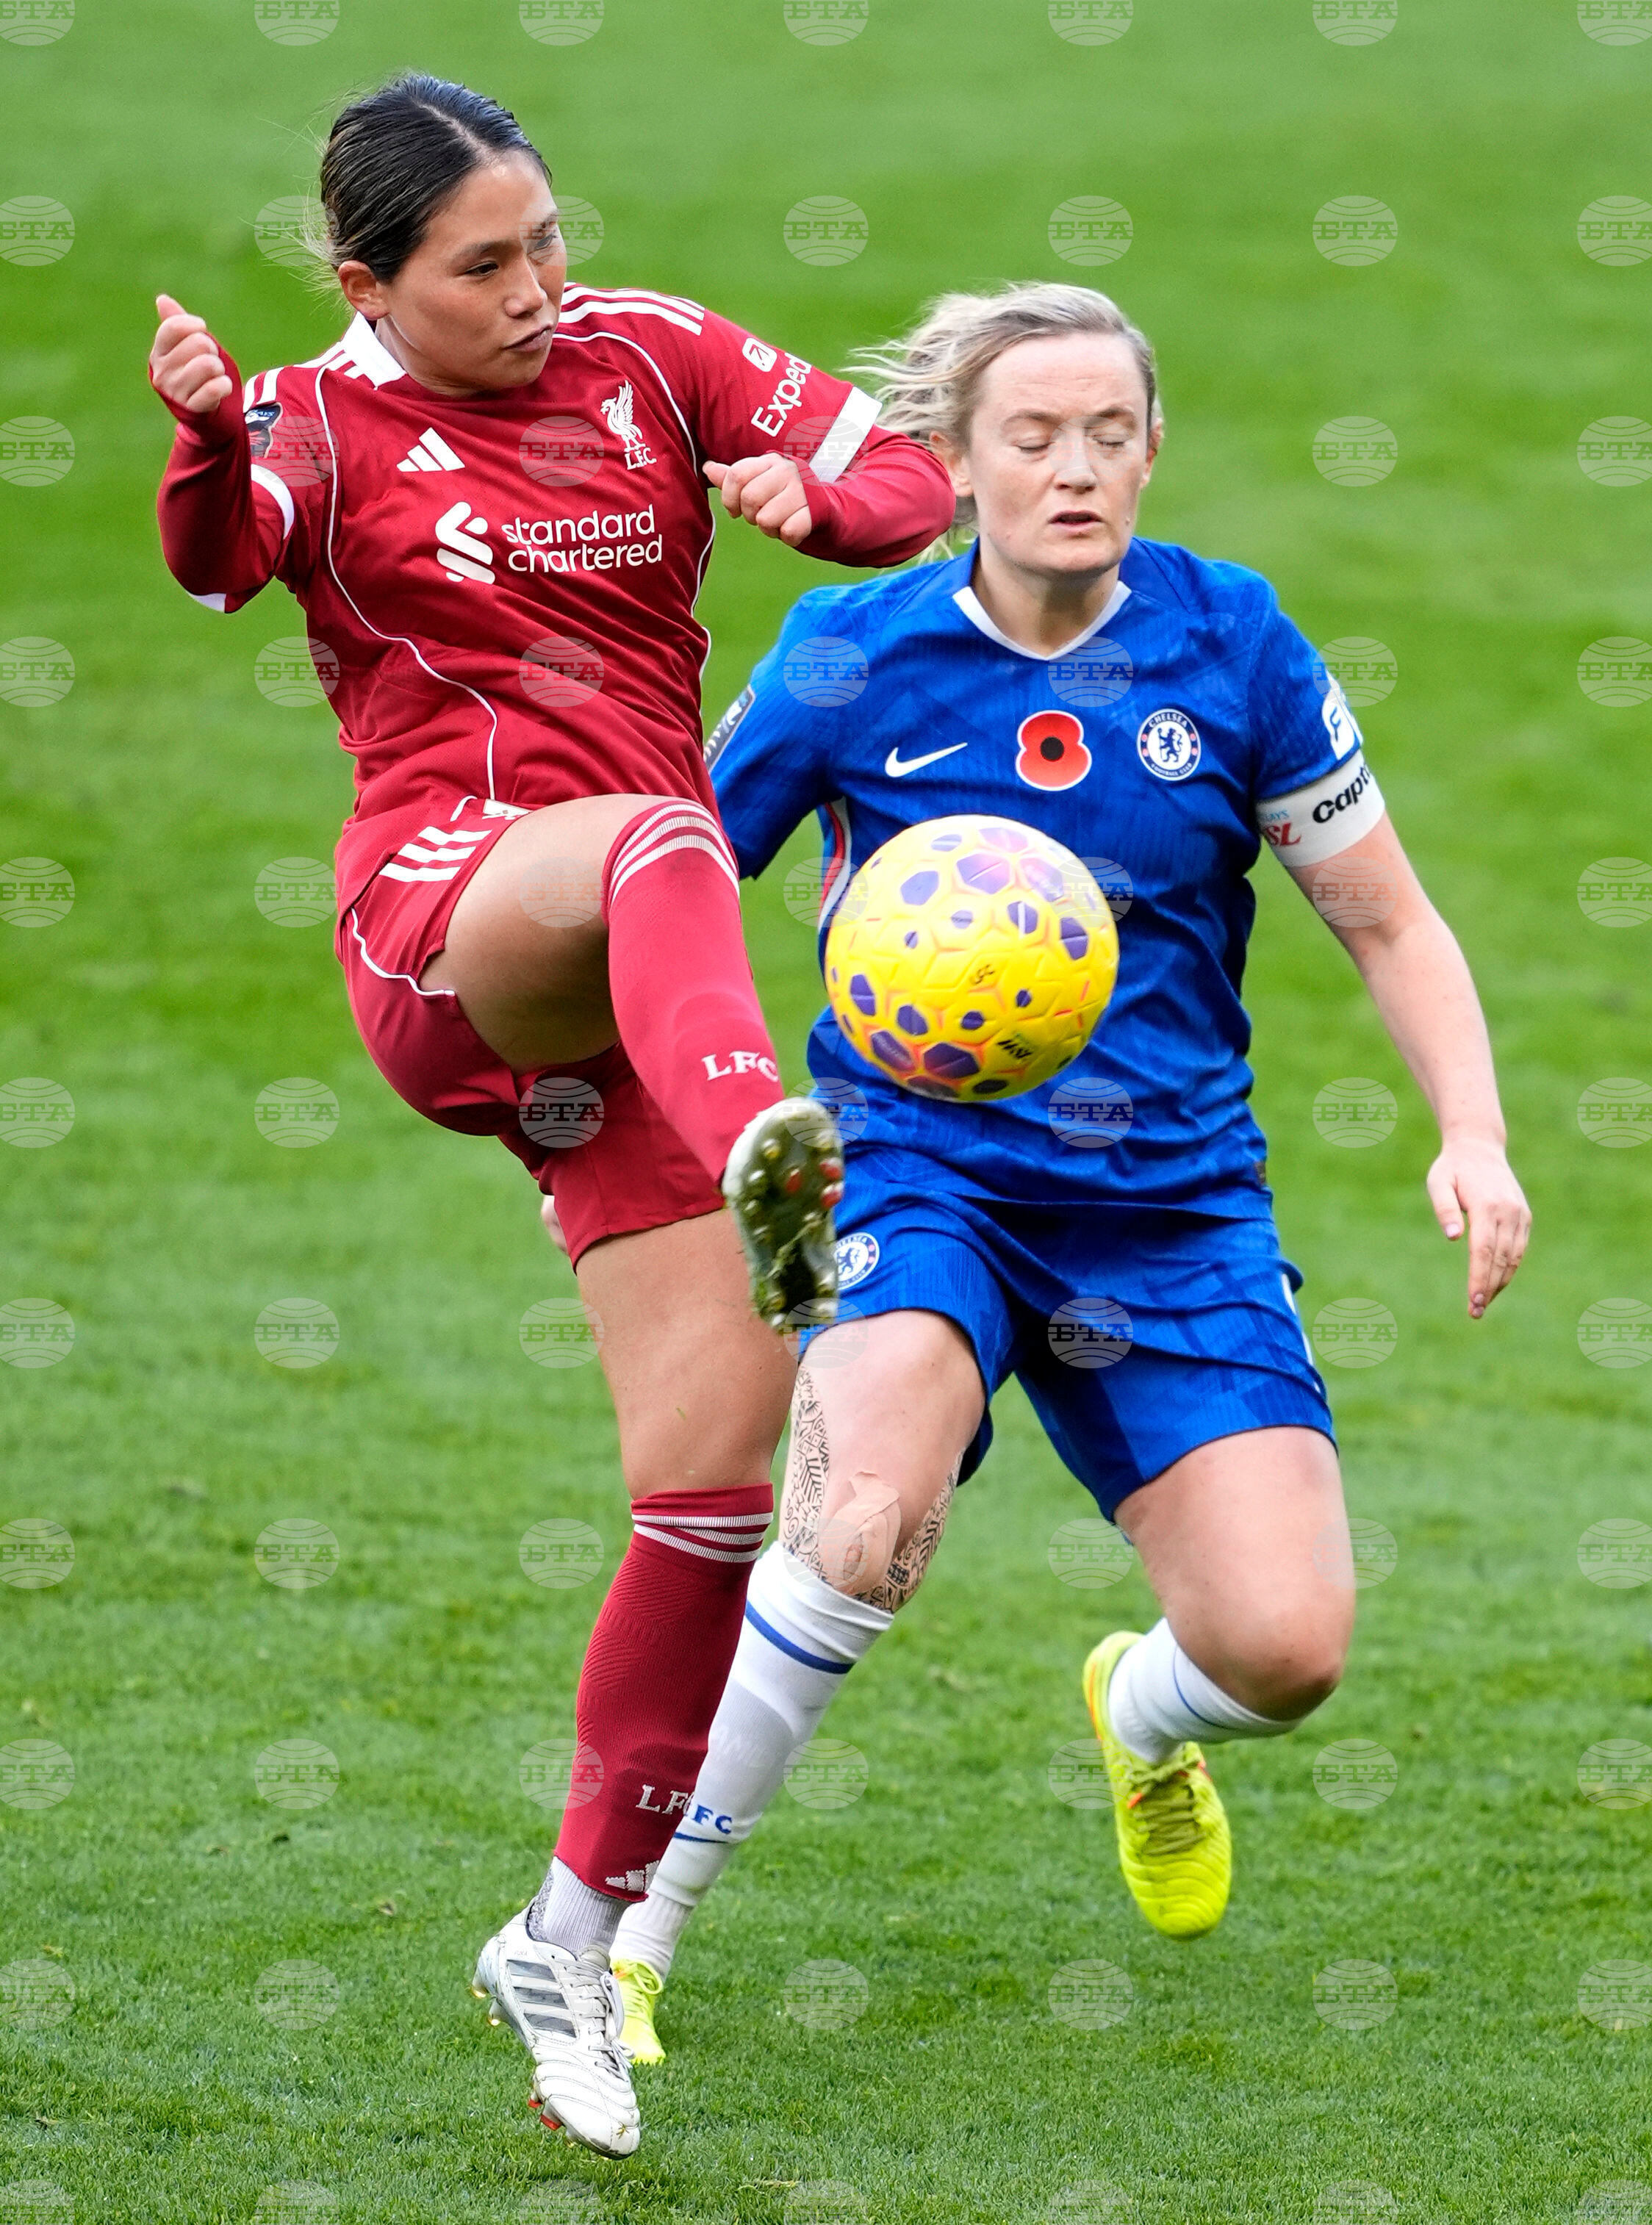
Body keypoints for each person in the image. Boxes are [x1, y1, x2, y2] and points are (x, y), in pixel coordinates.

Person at [148, 73, 952, 2157]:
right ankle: (784, 1142)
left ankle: (569, 1938)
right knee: (654, 836)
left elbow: (900, 485)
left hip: (625, 1021)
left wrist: (811, 499)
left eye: (543, 239)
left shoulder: (646, 355)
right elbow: (219, 560)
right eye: (482, 265)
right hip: (451, 927)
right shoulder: (317, 425)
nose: (537, 285)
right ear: (367, 284)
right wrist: (195, 436)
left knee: (705, 1493)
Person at [597, 279, 1532, 2064]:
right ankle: (630, 1925)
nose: (1074, 467)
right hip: (911, 1161)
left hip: (1172, 1206)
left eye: (1109, 433)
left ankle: (1142, 1710)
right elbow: (678, 895)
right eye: (1030, 435)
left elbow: (1388, 918)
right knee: (861, 1516)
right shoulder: (846, 655)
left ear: (1153, 448)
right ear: (954, 460)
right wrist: (716, 1130)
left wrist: (1470, 1133)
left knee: (1284, 1649)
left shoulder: (1234, 645)